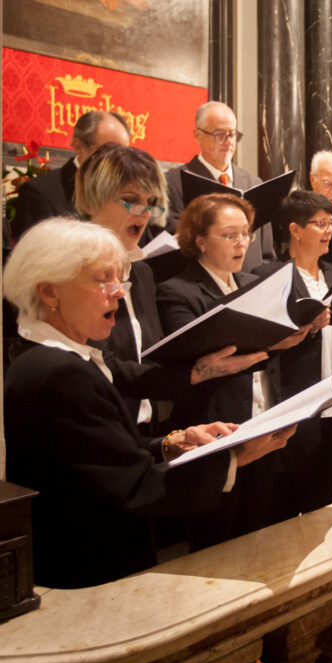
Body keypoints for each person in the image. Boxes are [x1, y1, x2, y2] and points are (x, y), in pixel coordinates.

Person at [2, 218, 294, 589]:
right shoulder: (59, 371)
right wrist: (234, 457)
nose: (119, 293)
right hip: (91, 567)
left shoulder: (49, 356)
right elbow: (133, 485)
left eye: (120, 280)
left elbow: (105, 451)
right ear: (49, 291)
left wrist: (172, 442)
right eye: (102, 279)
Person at [74, 143, 267, 435]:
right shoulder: (74, 270)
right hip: (96, 427)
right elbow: (100, 364)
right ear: (91, 201)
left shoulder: (140, 271)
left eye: (151, 202)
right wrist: (195, 373)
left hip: (148, 428)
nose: (144, 213)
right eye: (130, 200)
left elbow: (150, 355)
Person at [157, 194, 311, 547]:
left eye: (246, 234)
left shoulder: (251, 284)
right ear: (199, 239)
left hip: (262, 424)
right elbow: (195, 353)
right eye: (229, 235)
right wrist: (271, 341)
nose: (241, 243)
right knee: (216, 539)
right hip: (216, 431)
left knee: (257, 534)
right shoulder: (177, 291)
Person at [254, 191, 332, 520]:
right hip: (295, 404)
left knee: (325, 506)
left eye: (331, 223)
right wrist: (308, 326)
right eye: (320, 224)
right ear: (295, 229)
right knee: (285, 510)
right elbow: (263, 341)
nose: (329, 230)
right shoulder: (270, 277)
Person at [164, 101, 274, 269]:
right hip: (201, 287)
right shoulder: (173, 182)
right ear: (198, 135)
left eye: (232, 134)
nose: (228, 141)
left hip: (251, 282)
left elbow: (265, 252)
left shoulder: (254, 183)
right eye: (219, 134)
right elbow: (175, 244)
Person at [11, 111, 131, 239]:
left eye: (124, 153)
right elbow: (33, 255)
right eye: (110, 152)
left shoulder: (128, 194)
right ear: (79, 146)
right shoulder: (40, 194)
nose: (119, 161)